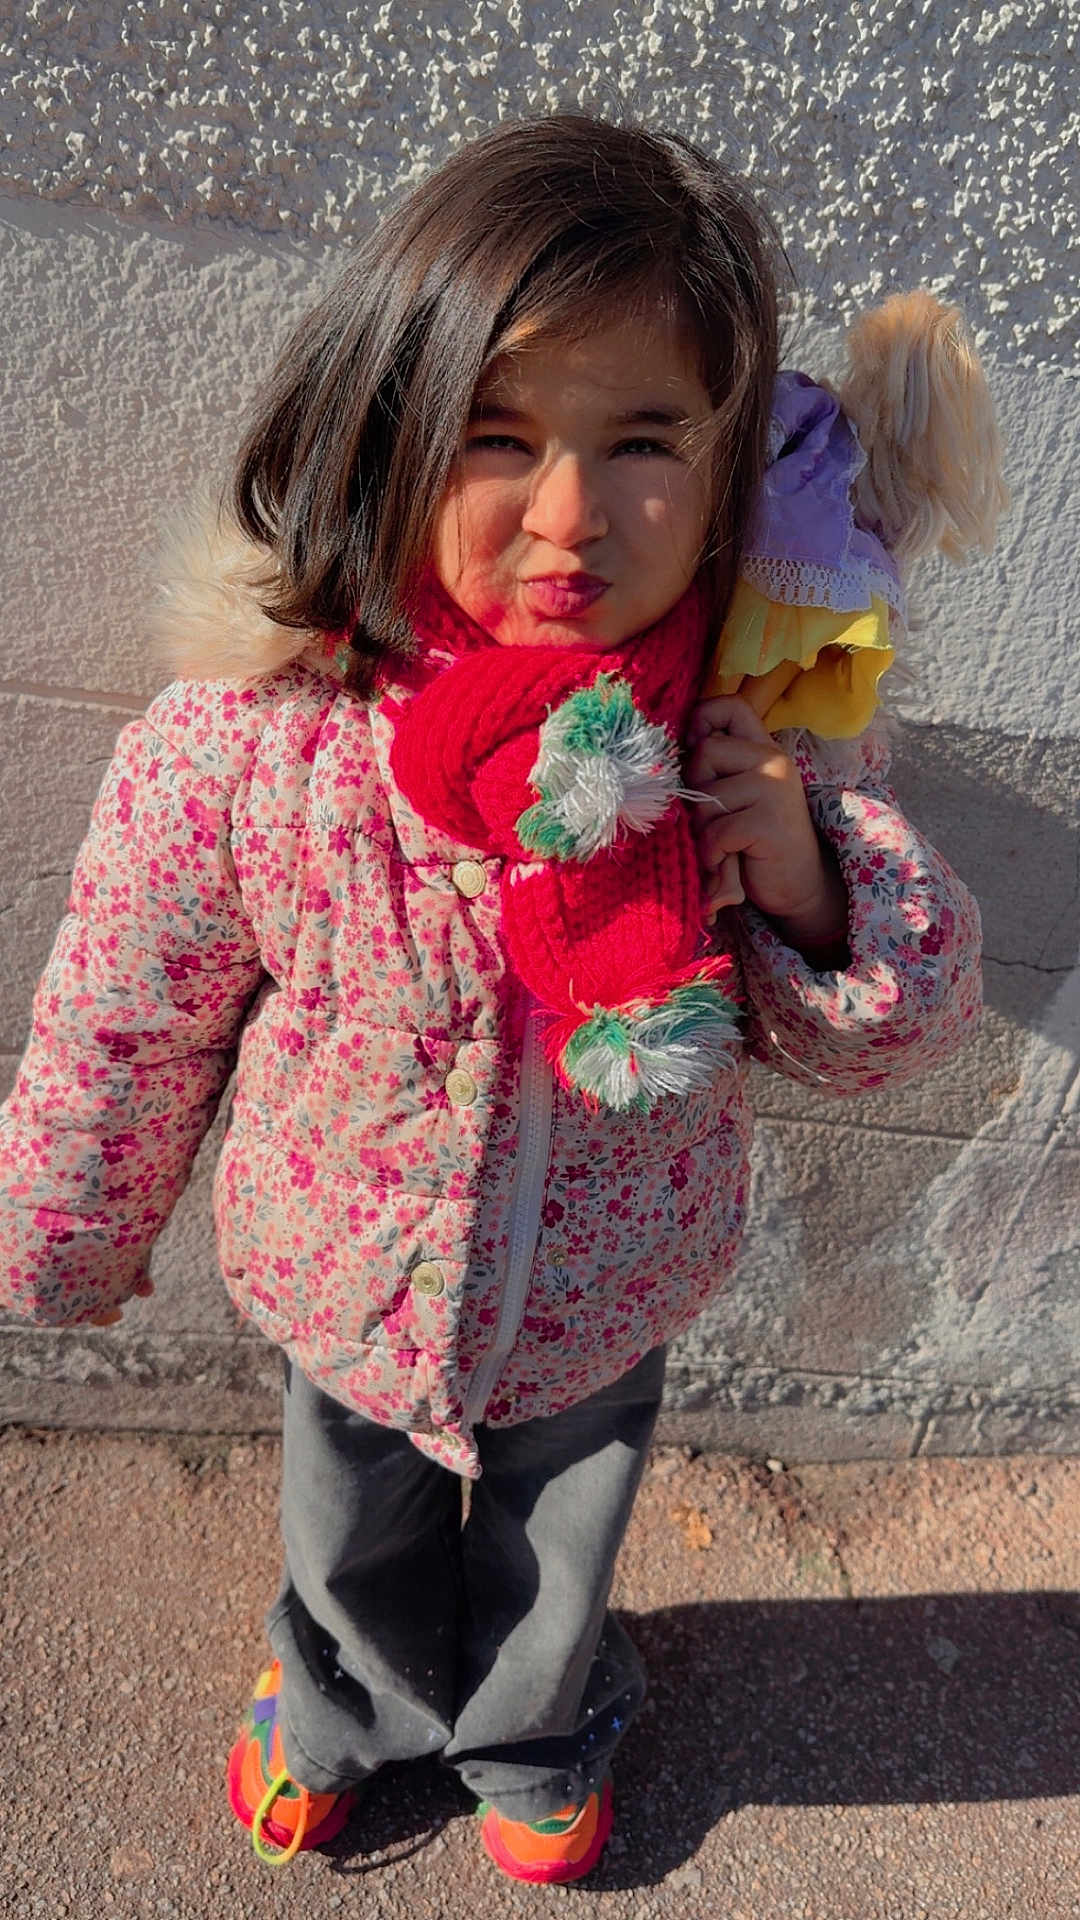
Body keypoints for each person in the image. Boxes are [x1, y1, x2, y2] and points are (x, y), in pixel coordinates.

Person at [0, 113, 986, 1885]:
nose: (569, 515)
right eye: (499, 435)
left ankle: (534, 1730)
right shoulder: (265, 740)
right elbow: (127, 1020)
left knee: (560, 1539)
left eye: (646, 443)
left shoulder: (750, 746)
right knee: (349, 1526)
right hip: (347, 1272)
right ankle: (346, 1708)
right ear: (386, 429)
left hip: (611, 1281)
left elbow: (899, 1024)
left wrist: (808, 881)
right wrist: (66, 1234)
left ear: (731, 466)